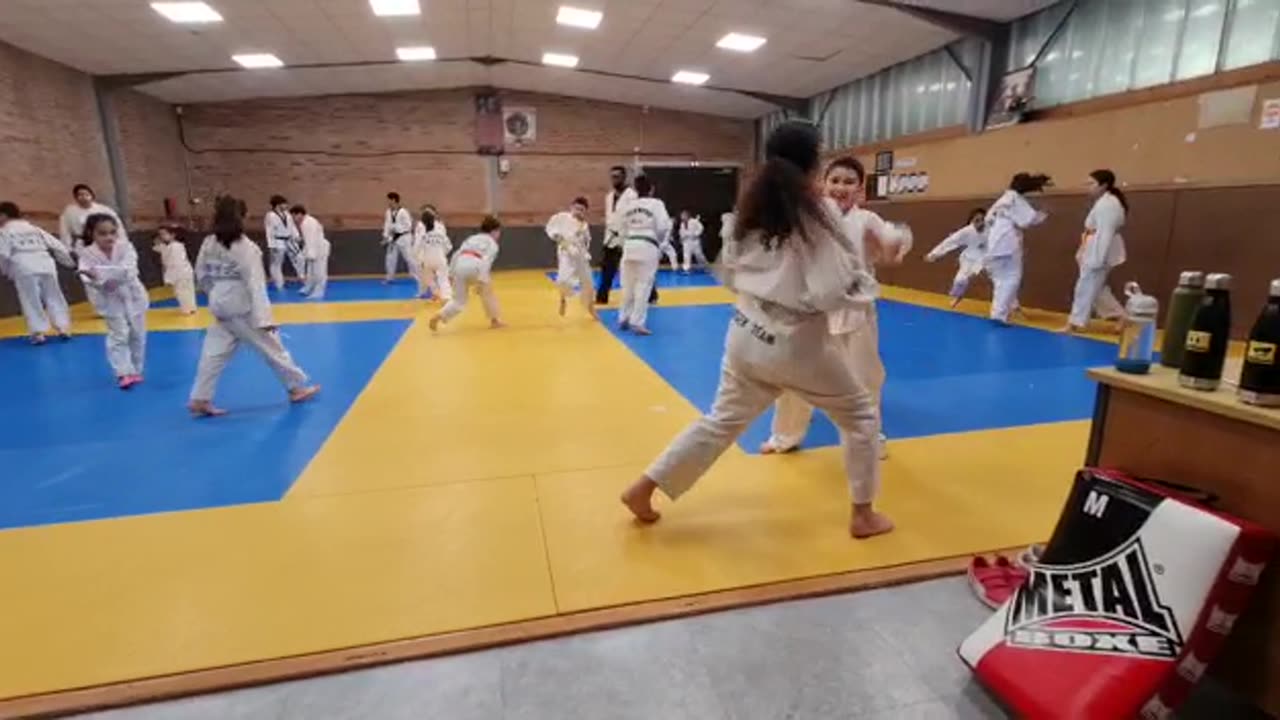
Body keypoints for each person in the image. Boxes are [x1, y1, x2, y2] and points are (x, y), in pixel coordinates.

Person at [620, 121, 890, 538]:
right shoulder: (814, 217)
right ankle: (863, 515)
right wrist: (863, 281)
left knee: (720, 422)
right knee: (860, 417)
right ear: (813, 163)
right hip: (793, 341)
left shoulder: (751, 208)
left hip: (745, 330)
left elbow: (728, 271)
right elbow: (829, 290)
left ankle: (644, 488)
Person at [759, 156, 911, 460]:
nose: (841, 187)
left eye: (849, 182)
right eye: (835, 180)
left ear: (860, 190)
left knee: (864, 378)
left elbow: (889, 251)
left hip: (855, 312)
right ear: (823, 185)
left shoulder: (866, 220)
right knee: (794, 376)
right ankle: (785, 435)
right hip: (811, 311)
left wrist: (895, 242)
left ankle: (867, 439)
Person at [188, 196, 320, 417]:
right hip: (242, 307)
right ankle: (297, 388)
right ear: (242, 218)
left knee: (213, 353)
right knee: (272, 348)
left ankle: (200, 398)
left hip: (219, 303)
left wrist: (215, 293)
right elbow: (255, 284)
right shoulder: (246, 247)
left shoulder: (209, 243)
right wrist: (265, 319)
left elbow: (201, 274)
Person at [78, 213, 148, 389]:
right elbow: (86, 277)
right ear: (92, 233)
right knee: (118, 335)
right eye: (102, 233)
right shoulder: (86, 254)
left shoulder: (125, 247)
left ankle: (136, 370)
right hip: (110, 300)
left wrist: (99, 273)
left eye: (112, 232)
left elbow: (128, 271)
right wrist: (97, 277)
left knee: (137, 335)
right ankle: (123, 373)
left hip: (134, 297)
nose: (109, 237)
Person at [1063, 169, 1127, 334]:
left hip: (1100, 248)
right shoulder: (1104, 202)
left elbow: (1105, 232)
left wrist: (1097, 258)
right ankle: (1121, 316)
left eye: (1092, 183)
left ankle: (1075, 323)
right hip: (1093, 244)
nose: (1088, 187)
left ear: (1104, 185)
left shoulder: (1109, 204)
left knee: (1086, 286)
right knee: (1097, 288)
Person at [0, 201, 74, 343]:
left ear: (3, 215)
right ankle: (63, 327)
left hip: (23, 265)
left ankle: (38, 332)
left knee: (30, 298)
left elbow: (3, 254)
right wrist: (69, 262)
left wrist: (4, 270)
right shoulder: (34, 229)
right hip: (46, 263)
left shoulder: (4, 232)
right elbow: (57, 246)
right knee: (54, 295)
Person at [985, 173, 1050, 325]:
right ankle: (1000, 314)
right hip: (1008, 242)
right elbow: (1028, 220)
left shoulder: (1001, 200)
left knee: (1000, 280)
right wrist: (1043, 215)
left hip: (994, 242)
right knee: (1012, 277)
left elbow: (988, 219)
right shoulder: (1015, 199)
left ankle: (998, 312)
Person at [429, 215, 504, 331]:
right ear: (494, 231)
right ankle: (495, 321)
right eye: (499, 232)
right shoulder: (492, 244)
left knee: (458, 301)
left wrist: (450, 274)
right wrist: (481, 280)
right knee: (487, 292)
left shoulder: (471, 239)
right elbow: (486, 261)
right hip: (476, 265)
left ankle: (439, 315)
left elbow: (456, 254)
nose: (499, 235)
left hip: (460, 265)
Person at [617, 175, 671, 336]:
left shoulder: (628, 205)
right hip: (647, 245)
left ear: (635, 190)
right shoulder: (656, 204)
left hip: (629, 244)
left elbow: (620, 227)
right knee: (643, 284)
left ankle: (623, 317)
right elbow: (663, 226)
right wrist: (660, 242)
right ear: (651, 189)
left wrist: (626, 240)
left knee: (627, 284)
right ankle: (637, 322)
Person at [925, 208, 989, 308]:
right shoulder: (967, 231)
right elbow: (950, 242)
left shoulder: (991, 230)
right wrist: (934, 254)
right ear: (972, 221)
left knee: (996, 278)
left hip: (983, 259)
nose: (980, 223)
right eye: (977, 220)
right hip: (968, 258)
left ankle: (1011, 303)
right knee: (960, 281)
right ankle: (958, 297)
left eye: (982, 220)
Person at [546, 197, 597, 318]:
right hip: (566, 253)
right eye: (577, 208)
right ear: (571, 207)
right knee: (563, 279)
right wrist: (560, 239)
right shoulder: (562, 217)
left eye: (582, 210)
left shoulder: (584, 225)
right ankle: (563, 300)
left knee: (588, 282)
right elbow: (551, 230)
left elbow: (587, 241)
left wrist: (583, 232)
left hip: (580, 254)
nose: (578, 211)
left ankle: (590, 306)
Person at [598, 166, 637, 304]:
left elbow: (633, 217)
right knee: (607, 268)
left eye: (617, 176)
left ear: (624, 177)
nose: (614, 179)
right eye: (612, 176)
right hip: (610, 237)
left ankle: (651, 295)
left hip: (627, 237)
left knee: (633, 268)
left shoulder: (632, 195)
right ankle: (602, 297)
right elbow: (610, 217)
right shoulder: (609, 196)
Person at [59, 183, 128, 254]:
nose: (84, 197)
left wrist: (122, 243)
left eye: (86, 195)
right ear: (76, 197)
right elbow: (65, 231)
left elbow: (118, 227)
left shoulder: (104, 210)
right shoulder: (70, 211)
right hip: (82, 246)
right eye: (80, 195)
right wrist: (68, 249)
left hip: (103, 244)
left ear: (92, 196)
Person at [290, 205, 330, 300]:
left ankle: (319, 291)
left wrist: (310, 254)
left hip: (319, 249)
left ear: (299, 214)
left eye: (294, 216)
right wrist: (306, 252)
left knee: (319, 271)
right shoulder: (306, 222)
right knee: (310, 271)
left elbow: (311, 239)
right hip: (313, 247)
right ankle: (309, 287)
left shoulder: (308, 223)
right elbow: (308, 240)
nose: (293, 219)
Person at [414, 206, 453, 302]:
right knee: (443, 278)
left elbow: (416, 248)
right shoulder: (440, 232)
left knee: (427, 278)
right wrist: (442, 253)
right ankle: (447, 297)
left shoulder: (423, 234)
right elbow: (449, 246)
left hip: (427, 260)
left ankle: (435, 292)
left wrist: (419, 259)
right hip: (440, 258)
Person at [382, 192, 417, 285]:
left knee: (409, 257)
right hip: (393, 238)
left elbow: (409, 225)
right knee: (390, 258)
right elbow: (387, 225)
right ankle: (390, 277)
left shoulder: (403, 211)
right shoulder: (388, 212)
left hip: (404, 237)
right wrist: (385, 236)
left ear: (394, 200)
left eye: (389, 200)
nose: (387, 202)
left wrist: (396, 228)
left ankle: (418, 276)